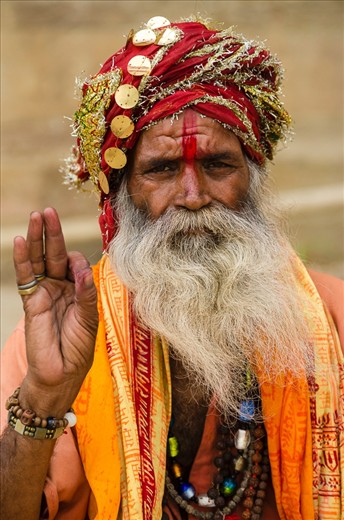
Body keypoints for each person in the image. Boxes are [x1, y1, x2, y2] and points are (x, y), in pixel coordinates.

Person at [0, 16, 343, 520]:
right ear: (121, 197)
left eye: (217, 165)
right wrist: (46, 396)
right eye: (161, 170)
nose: (193, 196)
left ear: (253, 179)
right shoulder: (65, 338)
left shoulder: (330, 320)